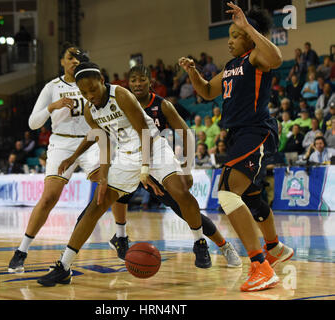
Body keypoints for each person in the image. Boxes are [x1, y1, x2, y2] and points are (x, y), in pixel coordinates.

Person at [37, 62, 214, 286]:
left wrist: (145, 170)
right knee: (96, 205)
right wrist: (98, 172)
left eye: (92, 89)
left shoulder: (120, 95)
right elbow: (102, 141)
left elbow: (145, 133)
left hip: (153, 148)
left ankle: (199, 243)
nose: (89, 95)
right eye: (84, 92)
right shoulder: (90, 110)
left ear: (102, 80)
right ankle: (64, 266)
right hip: (126, 155)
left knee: (180, 191)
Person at [179, 3, 293, 292]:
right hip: (238, 135)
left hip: (255, 131)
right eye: (229, 34)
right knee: (251, 198)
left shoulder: (257, 57)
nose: (229, 40)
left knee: (228, 194)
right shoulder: (231, 66)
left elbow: (278, 58)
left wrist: (248, 27)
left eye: (234, 35)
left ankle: (260, 266)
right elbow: (206, 91)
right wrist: (193, 72)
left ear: (248, 37)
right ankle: (274, 248)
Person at [7, 43, 125, 273]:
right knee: (49, 198)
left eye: (78, 59)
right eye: (70, 58)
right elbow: (33, 123)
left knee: (114, 183)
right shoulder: (52, 87)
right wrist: (53, 106)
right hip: (61, 143)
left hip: (90, 142)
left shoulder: (91, 83)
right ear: (61, 61)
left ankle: (121, 236)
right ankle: (21, 250)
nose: (74, 61)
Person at [110, 64, 241, 267]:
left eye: (141, 79)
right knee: (115, 189)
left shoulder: (162, 105)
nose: (137, 83)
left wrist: (188, 169)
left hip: (158, 163)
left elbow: (186, 133)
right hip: (133, 161)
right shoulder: (121, 105)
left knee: (185, 207)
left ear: (150, 82)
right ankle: (120, 236)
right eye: (133, 80)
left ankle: (222, 246)